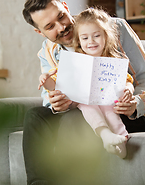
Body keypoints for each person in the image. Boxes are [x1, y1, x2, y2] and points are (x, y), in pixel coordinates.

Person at [22, 0, 145, 185]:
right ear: (40, 32)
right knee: (35, 116)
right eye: (50, 26)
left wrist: (135, 103)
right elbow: (49, 99)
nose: (62, 26)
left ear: (65, 6)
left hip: (126, 111)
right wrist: (56, 104)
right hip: (83, 109)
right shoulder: (47, 52)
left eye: (61, 16)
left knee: (74, 120)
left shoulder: (114, 27)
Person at [38, 8, 136, 159]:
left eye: (96, 36)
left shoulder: (113, 58)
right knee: (87, 104)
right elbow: (57, 85)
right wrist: (46, 81)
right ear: (78, 40)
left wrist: (128, 90)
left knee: (110, 110)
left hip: (107, 99)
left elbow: (127, 80)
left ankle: (120, 140)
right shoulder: (75, 60)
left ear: (106, 36)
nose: (91, 41)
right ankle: (105, 135)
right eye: (84, 38)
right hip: (84, 100)